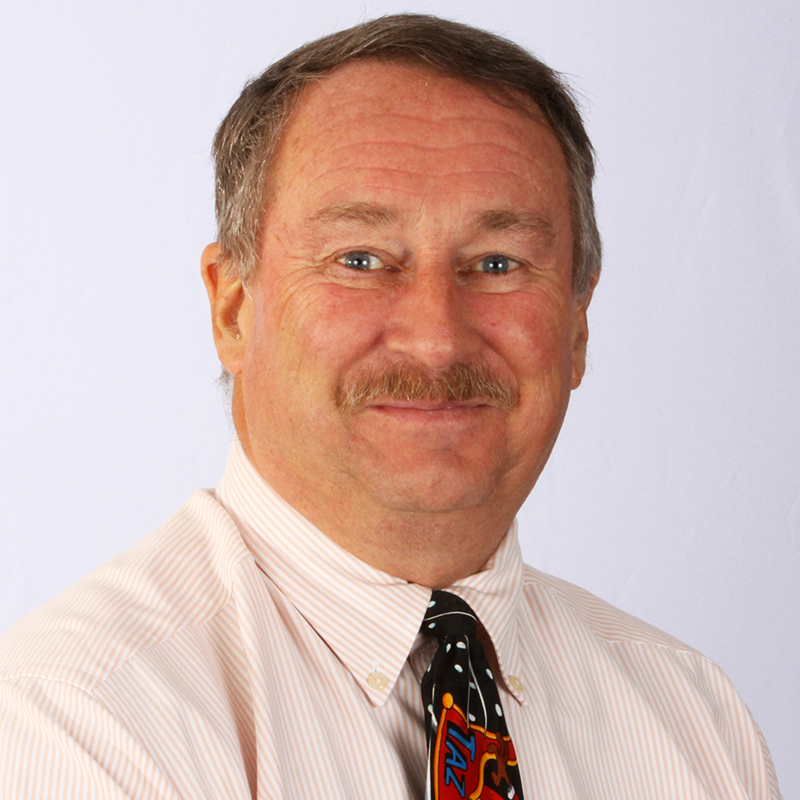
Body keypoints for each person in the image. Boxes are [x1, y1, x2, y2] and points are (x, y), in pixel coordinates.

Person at [0, 13, 782, 800]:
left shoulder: (693, 719)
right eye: (361, 259)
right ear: (233, 310)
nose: (436, 340)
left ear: (577, 325)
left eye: (498, 263)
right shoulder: (77, 719)